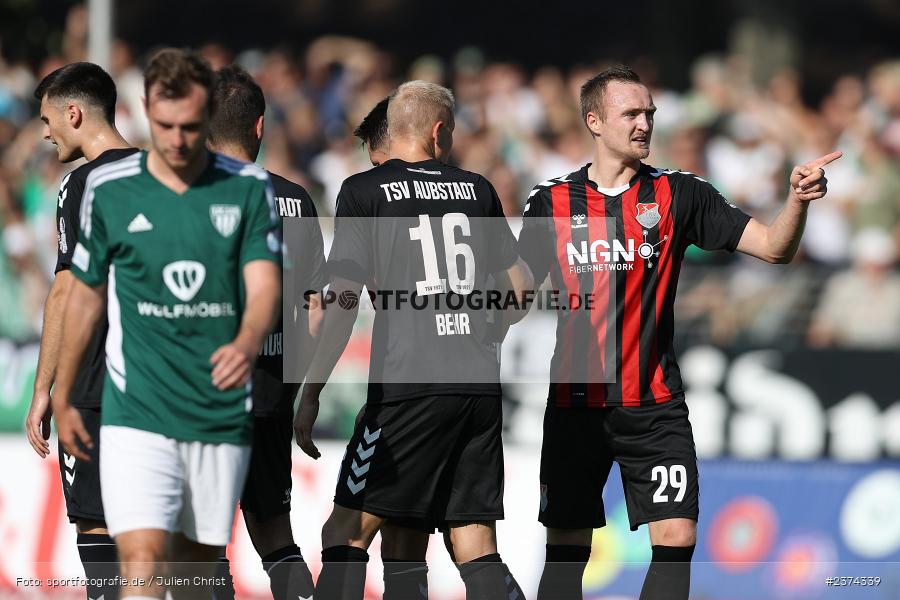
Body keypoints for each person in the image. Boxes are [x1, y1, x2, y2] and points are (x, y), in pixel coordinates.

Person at [518, 65, 840, 600]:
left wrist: (798, 202)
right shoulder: (548, 202)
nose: (644, 124)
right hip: (576, 402)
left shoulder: (680, 192)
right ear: (594, 121)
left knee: (678, 534)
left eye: (650, 113)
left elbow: (774, 248)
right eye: (631, 114)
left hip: (654, 401)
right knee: (567, 546)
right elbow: (514, 294)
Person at [51, 48, 282, 600]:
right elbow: (82, 294)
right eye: (165, 125)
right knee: (143, 559)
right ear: (145, 109)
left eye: (189, 126)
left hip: (212, 407)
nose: (177, 140)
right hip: (136, 410)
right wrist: (60, 391)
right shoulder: (111, 190)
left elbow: (265, 282)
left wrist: (248, 339)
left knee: (201, 565)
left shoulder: (247, 189)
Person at [294, 81, 533, 600]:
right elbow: (522, 287)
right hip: (476, 390)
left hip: (407, 390)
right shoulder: (479, 189)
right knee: (462, 540)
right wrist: (490, 327)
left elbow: (343, 300)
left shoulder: (363, 191)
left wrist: (312, 388)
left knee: (344, 533)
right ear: (439, 130)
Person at [206, 63, 327, 600]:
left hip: (199, 394)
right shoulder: (294, 199)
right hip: (272, 392)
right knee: (276, 535)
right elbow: (318, 306)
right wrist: (301, 387)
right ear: (259, 127)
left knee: (202, 543)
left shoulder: (184, 196)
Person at [25, 61, 136, 600]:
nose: (44, 133)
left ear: (74, 113)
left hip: (95, 385)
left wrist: (44, 388)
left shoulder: (83, 182)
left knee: (96, 528)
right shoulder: (167, 175)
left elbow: (66, 290)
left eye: (48, 120)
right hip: (164, 384)